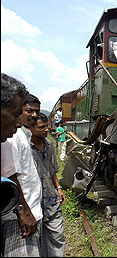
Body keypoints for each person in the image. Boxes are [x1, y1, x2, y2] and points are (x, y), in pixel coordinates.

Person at [2, 93, 43, 257]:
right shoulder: (11, 135)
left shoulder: (21, 134)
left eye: (37, 112)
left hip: (23, 213)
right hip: (17, 219)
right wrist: (23, 211)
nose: (33, 115)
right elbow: (9, 174)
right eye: (27, 111)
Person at [31, 113, 66, 256]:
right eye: (42, 127)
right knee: (37, 240)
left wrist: (58, 188)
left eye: (46, 126)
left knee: (57, 236)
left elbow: (52, 171)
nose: (46, 130)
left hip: (51, 199)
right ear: (31, 128)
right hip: (34, 202)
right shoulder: (25, 148)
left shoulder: (50, 146)